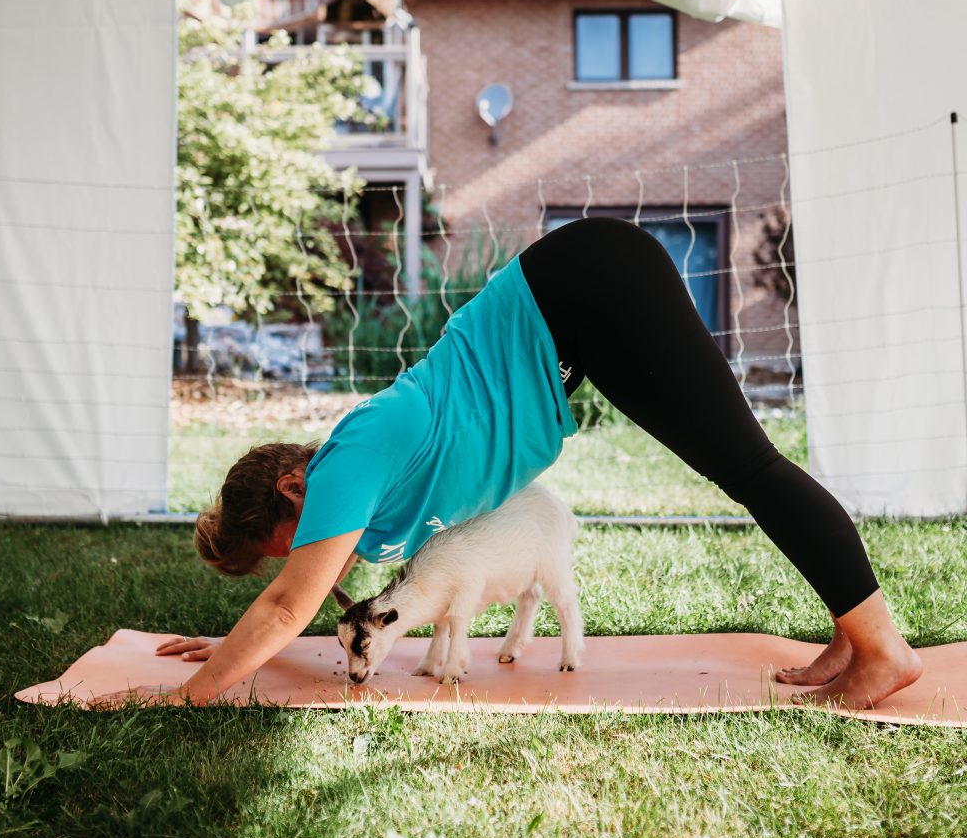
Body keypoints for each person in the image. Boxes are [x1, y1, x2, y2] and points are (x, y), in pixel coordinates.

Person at [97, 218, 922, 710]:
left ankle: (883, 649)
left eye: (288, 544)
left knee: (749, 468)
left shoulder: (349, 462)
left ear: (292, 487)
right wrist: (228, 648)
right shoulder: (358, 491)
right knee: (746, 470)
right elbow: (290, 608)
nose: (308, 564)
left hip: (587, 286)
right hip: (573, 314)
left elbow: (286, 606)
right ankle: (854, 638)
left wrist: (185, 699)